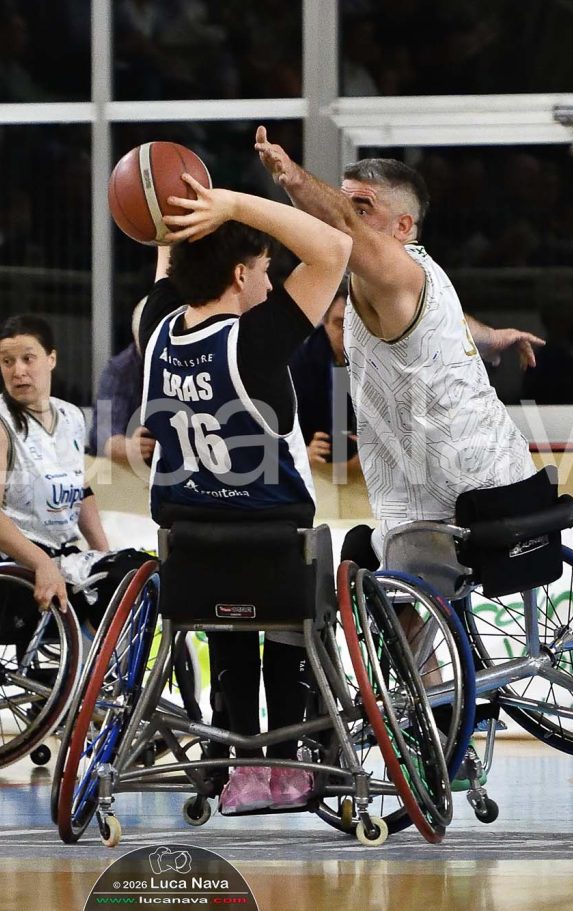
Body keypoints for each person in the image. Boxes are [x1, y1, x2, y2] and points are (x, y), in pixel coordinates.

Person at [136, 174, 351, 813]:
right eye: (263, 270)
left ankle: (242, 762)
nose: (270, 283)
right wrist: (230, 205)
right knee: (287, 591)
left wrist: (172, 213)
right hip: (276, 549)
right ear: (238, 275)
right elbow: (335, 249)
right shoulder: (255, 341)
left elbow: (167, 272)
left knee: (226, 603)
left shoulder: (154, 328)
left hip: (190, 549)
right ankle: (284, 763)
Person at [254, 127, 538, 566]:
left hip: (449, 503)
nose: (346, 216)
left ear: (403, 226)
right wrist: (491, 337)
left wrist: (290, 178)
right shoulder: (423, 274)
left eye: (362, 208)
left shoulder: (393, 275)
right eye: (344, 202)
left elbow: (338, 227)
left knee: (350, 555)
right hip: (511, 478)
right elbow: (453, 323)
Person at [0, 314, 146, 621]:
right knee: (121, 580)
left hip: (63, 555)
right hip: (19, 561)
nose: (18, 371)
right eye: (7, 362)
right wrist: (41, 563)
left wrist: (102, 551)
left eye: (28, 359)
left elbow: (80, 488)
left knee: (138, 572)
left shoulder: (71, 416)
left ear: (51, 359)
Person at [288, 279, 360, 477]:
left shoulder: (383, 361)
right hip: (318, 469)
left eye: (356, 325)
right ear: (324, 322)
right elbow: (277, 433)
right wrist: (303, 452)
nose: (348, 334)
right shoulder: (299, 363)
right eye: (340, 324)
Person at [89, 298, 155, 467]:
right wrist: (128, 448)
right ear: (136, 336)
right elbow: (102, 433)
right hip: (138, 471)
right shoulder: (119, 370)